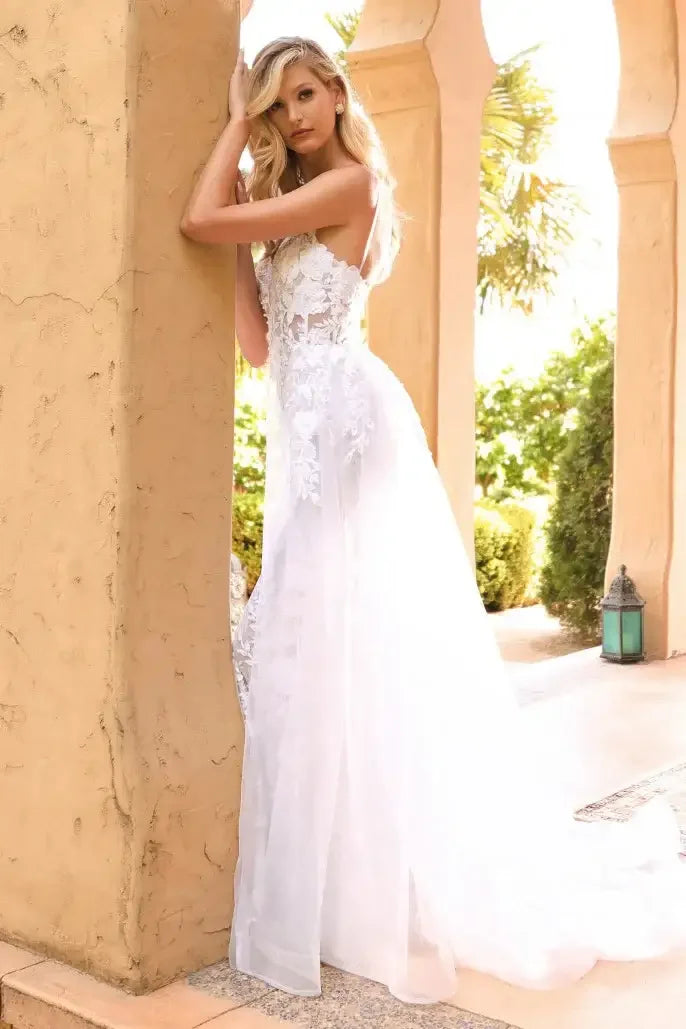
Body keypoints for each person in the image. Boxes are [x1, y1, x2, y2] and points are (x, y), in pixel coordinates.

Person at [180, 36, 686, 1006]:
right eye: (278, 103)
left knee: (340, 644)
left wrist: (231, 129)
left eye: (303, 95)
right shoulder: (287, 218)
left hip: (353, 437)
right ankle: (336, 879)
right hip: (303, 440)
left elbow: (198, 216)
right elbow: (253, 345)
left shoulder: (353, 188)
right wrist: (247, 220)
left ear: (335, 93)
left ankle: (374, 883)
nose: (293, 116)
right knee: (309, 649)